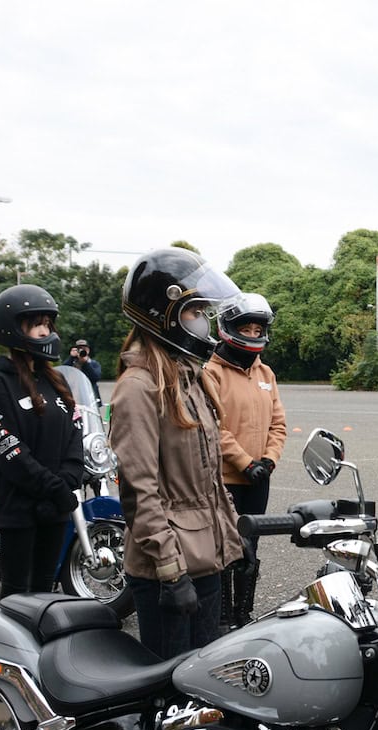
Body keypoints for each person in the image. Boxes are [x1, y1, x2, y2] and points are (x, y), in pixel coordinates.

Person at [110, 247, 244, 658]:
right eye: (195, 311)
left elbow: (206, 477)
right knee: (168, 691)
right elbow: (139, 492)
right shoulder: (139, 387)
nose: (203, 321)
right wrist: (170, 573)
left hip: (205, 560)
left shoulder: (191, 378)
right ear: (163, 315)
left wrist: (234, 530)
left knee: (203, 682)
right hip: (166, 570)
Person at [0, 285, 84, 599]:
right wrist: (53, 487)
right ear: (12, 329)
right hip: (20, 510)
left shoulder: (57, 380)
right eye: (36, 324)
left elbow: (75, 432)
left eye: (48, 324)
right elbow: (6, 446)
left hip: (56, 507)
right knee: (18, 596)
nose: (45, 331)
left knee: (44, 592)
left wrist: (68, 480)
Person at [203, 291, 286, 629]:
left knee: (250, 549)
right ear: (228, 327)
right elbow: (213, 427)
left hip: (258, 478)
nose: (252, 335)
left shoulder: (266, 374)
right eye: (246, 328)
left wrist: (268, 460)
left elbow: (278, 424)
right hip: (226, 479)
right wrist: (243, 462)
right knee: (226, 549)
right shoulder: (210, 373)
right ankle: (222, 617)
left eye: (257, 329)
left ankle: (243, 613)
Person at [63, 338, 102, 406]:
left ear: (88, 350)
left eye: (84, 349)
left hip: (90, 396)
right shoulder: (71, 363)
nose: (82, 351)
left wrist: (86, 363)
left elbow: (96, 377)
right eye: (79, 349)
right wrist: (71, 357)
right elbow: (63, 372)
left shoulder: (94, 364)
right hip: (74, 396)